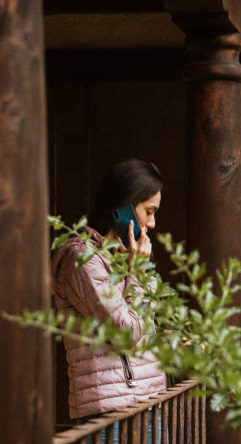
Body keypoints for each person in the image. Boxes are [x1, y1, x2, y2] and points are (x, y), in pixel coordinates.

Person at [52, 158, 167, 419]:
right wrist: (136, 272)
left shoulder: (129, 255)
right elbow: (126, 335)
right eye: (149, 212)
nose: (152, 224)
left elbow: (142, 330)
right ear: (124, 207)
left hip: (150, 406)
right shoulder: (82, 258)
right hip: (110, 417)